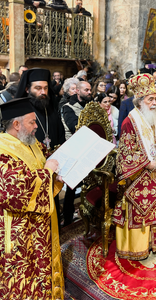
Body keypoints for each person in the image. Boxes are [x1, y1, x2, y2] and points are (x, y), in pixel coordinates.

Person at [0, 97, 64, 299]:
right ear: (16, 125)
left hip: (39, 223)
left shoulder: (30, 142)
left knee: (40, 269)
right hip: (18, 229)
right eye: (32, 122)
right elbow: (13, 191)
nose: (37, 127)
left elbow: (44, 160)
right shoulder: (3, 150)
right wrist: (47, 173)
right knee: (23, 277)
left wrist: (58, 168)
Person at [112, 73, 156, 260]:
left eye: (155, 98)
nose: (154, 103)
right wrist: (145, 162)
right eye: (151, 99)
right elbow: (125, 152)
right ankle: (137, 247)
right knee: (142, 208)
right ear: (140, 101)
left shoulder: (154, 116)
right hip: (139, 176)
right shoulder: (130, 121)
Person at [61, 81, 92, 226]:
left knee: (90, 183)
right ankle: (67, 218)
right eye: (86, 90)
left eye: (90, 90)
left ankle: (89, 213)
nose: (89, 92)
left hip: (88, 149)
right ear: (78, 91)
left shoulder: (90, 106)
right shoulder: (68, 108)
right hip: (74, 151)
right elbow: (75, 127)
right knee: (72, 187)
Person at [15, 68, 65, 150]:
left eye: (45, 88)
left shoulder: (51, 109)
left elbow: (61, 136)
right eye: (38, 88)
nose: (43, 92)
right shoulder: (20, 112)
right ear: (27, 89)